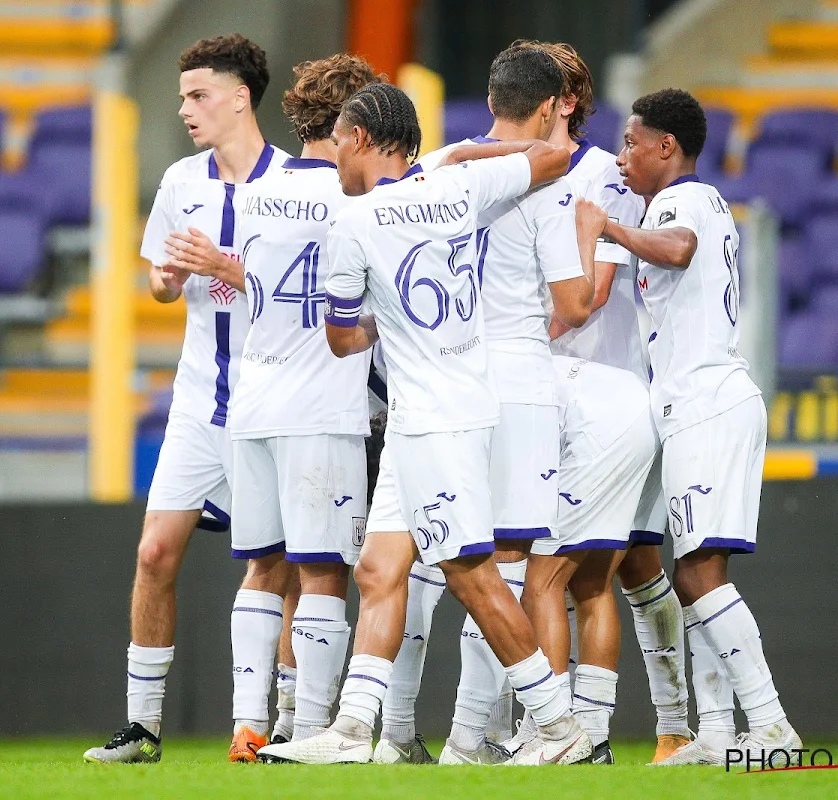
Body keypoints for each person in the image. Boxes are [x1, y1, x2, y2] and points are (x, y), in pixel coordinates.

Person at [255, 83, 589, 766]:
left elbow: (343, 341)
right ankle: (352, 731)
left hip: (434, 418)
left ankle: (560, 729)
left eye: (340, 145)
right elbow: (552, 156)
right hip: (452, 406)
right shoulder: (461, 186)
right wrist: (480, 151)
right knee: (381, 568)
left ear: (355, 140)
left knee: (471, 573)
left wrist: (382, 316)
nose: (336, 162)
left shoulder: (356, 222)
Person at [83, 33, 291, 764]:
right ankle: (142, 728)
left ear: (240, 97)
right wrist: (169, 281)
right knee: (153, 553)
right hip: (200, 403)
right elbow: (161, 282)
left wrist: (227, 265)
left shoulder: (297, 186)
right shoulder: (180, 183)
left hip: (272, 404)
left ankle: (274, 722)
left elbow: (302, 301)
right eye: (182, 96)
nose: (186, 109)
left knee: (279, 566)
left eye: (198, 95)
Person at [576, 87, 799, 764]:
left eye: (632, 143)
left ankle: (771, 725)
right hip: (690, 404)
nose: (623, 157)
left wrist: (607, 227)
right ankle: (717, 732)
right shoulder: (676, 201)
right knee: (693, 567)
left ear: (666, 147)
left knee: (701, 572)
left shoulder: (685, 199)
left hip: (708, 400)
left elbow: (674, 249)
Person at [387, 42, 594, 765]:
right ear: (548, 108)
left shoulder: (441, 165)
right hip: (521, 379)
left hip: (451, 379)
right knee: (506, 562)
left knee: (449, 558)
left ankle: (404, 729)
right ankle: (473, 739)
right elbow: (572, 300)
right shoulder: (549, 185)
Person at [510, 39, 691, 765]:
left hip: (604, 397)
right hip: (556, 397)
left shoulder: (600, 178)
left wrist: (513, 338)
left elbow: (588, 297)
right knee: (615, 573)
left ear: (560, 102)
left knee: (581, 571)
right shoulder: (519, 173)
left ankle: (581, 731)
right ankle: (621, 729)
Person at [225, 54, 381, 760]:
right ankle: (313, 726)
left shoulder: (252, 193)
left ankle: (250, 722)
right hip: (323, 406)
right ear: (356, 123)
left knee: (263, 567)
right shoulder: (358, 203)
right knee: (323, 569)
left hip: (253, 403)